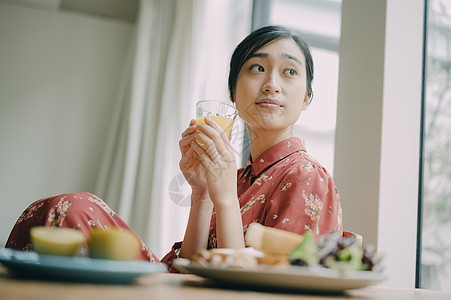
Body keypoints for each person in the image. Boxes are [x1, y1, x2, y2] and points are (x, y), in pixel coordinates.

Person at [5, 25, 342, 270]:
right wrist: (201, 194)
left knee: (75, 208)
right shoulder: (237, 176)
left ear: (307, 98)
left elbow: (260, 286)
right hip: (180, 288)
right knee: (52, 214)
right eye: (257, 68)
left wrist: (222, 197)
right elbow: (187, 268)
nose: (272, 84)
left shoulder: (306, 174)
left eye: (289, 72)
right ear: (232, 93)